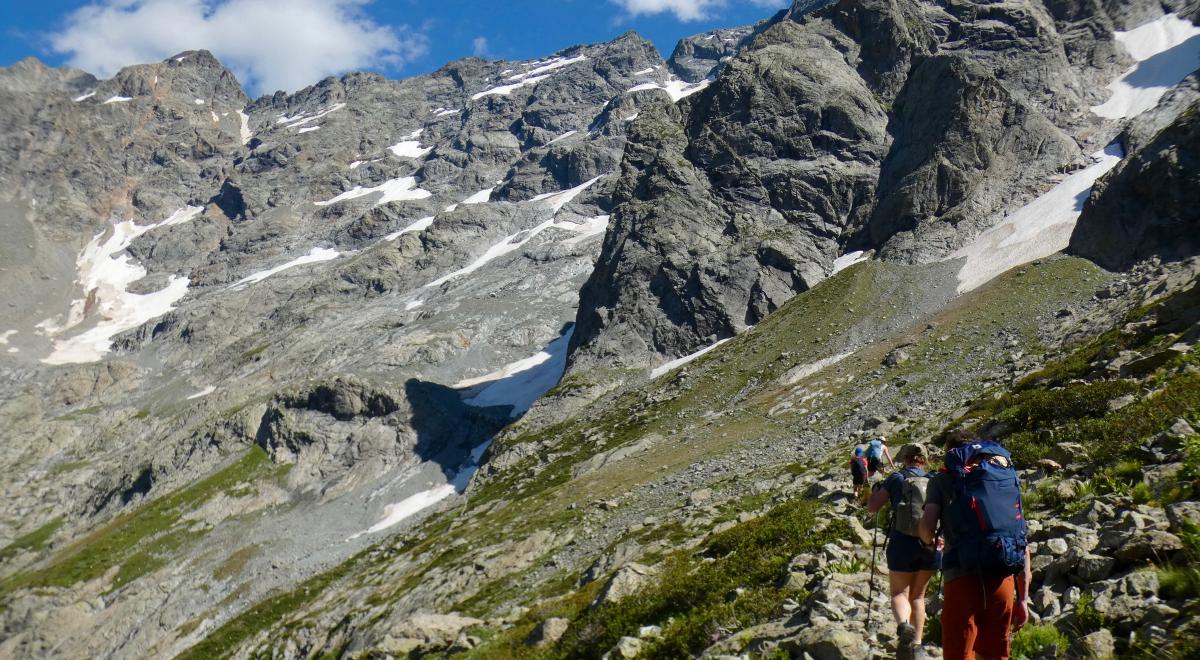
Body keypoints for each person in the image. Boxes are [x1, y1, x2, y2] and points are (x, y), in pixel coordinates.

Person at [919, 430, 1031, 660]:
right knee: (996, 652)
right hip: (1003, 574)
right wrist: (1022, 598)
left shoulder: (942, 480)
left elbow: (927, 524)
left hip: (961, 575)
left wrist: (929, 541)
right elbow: (1020, 539)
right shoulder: (1002, 478)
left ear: (950, 453)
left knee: (960, 652)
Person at [868, 443, 940, 660]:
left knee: (900, 593)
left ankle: (903, 626)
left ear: (906, 458)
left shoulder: (896, 478)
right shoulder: (935, 480)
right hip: (930, 544)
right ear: (924, 460)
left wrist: (877, 491)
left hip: (902, 543)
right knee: (918, 596)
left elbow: (873, 506)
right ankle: (916, 646)